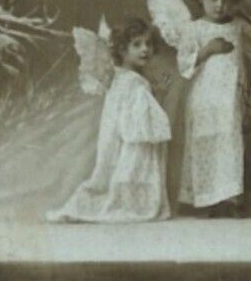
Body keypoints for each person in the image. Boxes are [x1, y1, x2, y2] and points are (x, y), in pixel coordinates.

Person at [147, 0, 251, 218]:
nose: (220, 5)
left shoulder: (238, 25)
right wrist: (208, 50)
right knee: (205, 143)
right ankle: (207, 198)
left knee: (230, 143)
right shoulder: (194, 29)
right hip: (203, 98)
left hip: (231, 96)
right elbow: (184, 65)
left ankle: (231, 198)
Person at [47, 18, 172, 223]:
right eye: (137, 44)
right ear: (122, 50)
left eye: (148, 44)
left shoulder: (122, 77)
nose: (145, 49)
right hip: (131, 138)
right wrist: (157, 96)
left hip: (119, 133)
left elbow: (138, 112)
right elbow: (140, 121)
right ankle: (131, 201)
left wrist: (157, 94)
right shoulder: (133, 81)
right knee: (132, 163)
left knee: (112, 168)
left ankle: (114, 197)